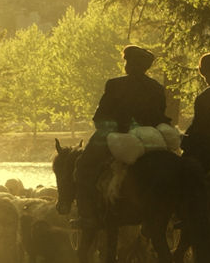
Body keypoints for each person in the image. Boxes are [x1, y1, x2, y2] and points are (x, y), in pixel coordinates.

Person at [73, 44, 171, 227]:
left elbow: (101, 116)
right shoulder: (156, 88)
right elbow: (160, 116)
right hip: (150, 137)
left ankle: (87, 215)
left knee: (83, 165)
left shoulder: (115, 84)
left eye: (126, 61)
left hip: (119, 135)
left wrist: (109, 130)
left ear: (129, 64)